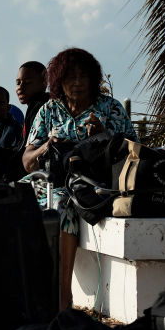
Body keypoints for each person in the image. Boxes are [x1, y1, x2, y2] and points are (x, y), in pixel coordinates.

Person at [23, 48, 136, 310]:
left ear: (93, 79)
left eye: (83, 76)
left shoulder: (110, 108)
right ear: (58, 80)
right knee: (11, 199)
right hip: (50, 183)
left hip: (91, 186)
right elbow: (27, 160)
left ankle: (63, 297)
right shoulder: (49, 110)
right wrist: (47, 146)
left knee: (63, 207)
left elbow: (134, 152)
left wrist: (103, 137)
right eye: (70, 76)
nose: (77, 82)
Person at [15, 61, 49, 140]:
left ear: (44, 82)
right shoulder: (32, 108)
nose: (20, 87)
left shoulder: (44, 107)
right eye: (18, 83)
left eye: (27, 82)